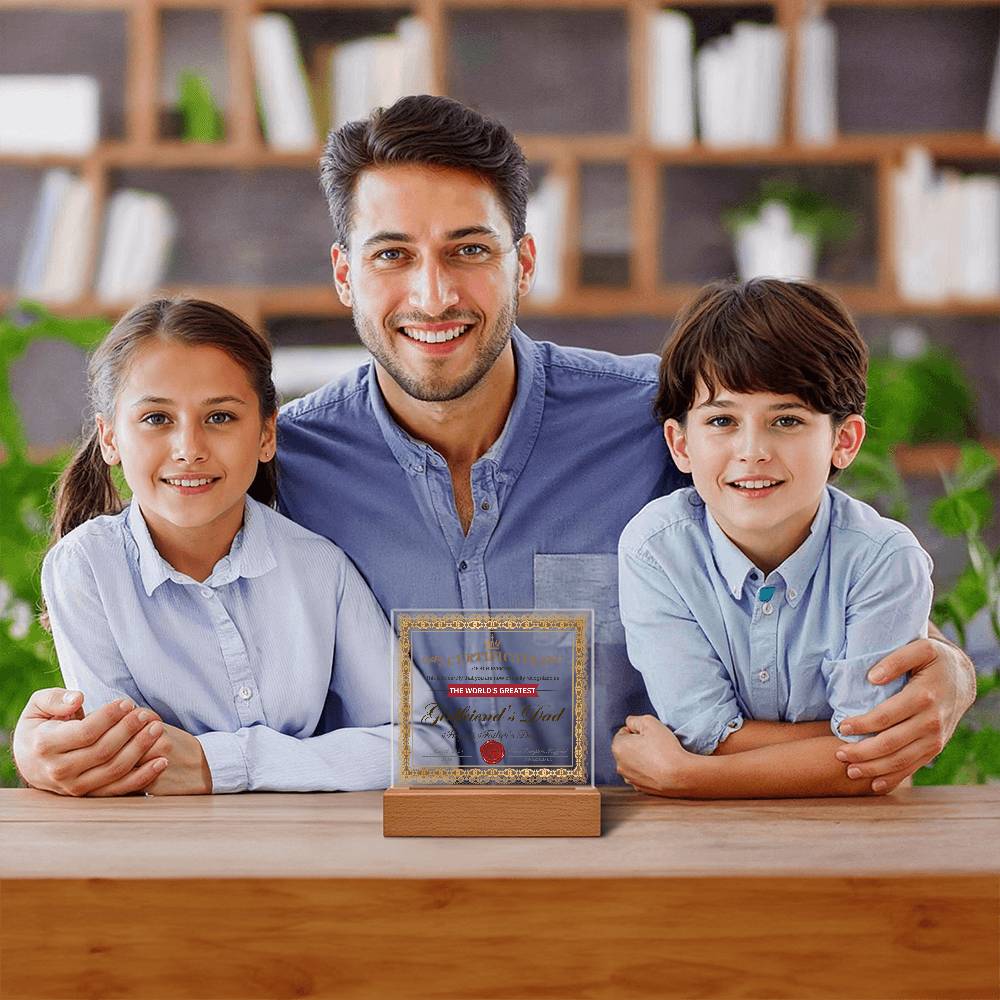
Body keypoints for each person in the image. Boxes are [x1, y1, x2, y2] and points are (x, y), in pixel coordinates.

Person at [13, 95, 976, 795]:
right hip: (378, 878)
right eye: (394, 255)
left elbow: (826, 560)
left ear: (523, 260)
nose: (433, 296)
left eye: (468, 250)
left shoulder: (665, 416)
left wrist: (944, 666)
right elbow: (154, 602)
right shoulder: (274, 462)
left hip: (654, 860)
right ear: (346, 275)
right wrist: (51, 739)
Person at [35, 297, 452, 794]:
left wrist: (222, 764)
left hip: (306, 850)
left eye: (220, 418)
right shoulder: (85, 568)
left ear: (266, 434)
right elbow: (124, 767)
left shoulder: (319, 568)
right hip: (152, 855)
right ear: (109, 439)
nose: (189, 448)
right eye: (155, 419)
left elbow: (427, 747)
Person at [613, 278, 935, 797]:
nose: (752, 450)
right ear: (681, 445)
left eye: (787, 419)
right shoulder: (656, 549)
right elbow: (701, 733)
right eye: (722, 419)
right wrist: (845, 747)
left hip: (856, 845)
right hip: (699, 842)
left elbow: (877, 759)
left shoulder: (884, 560)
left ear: (844, 440)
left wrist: (690, 776)